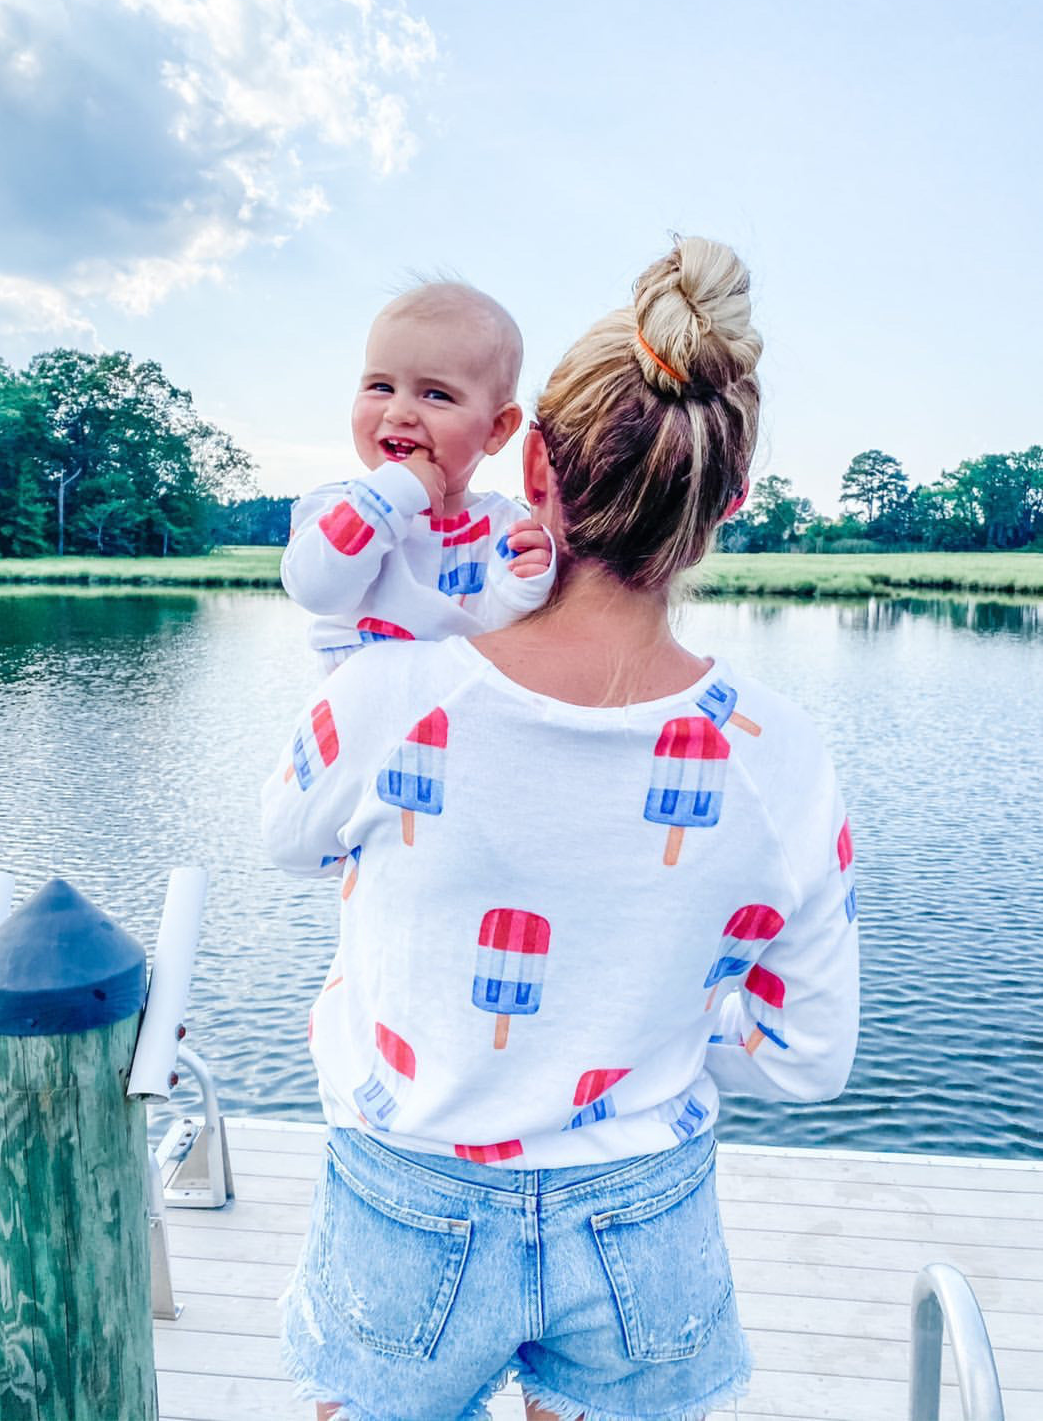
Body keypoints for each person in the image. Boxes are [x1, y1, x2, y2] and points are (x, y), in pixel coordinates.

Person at [261, 235, 860, 1421]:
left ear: (528, 460)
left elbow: (289, 842)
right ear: (726, 503)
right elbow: (808, 1059)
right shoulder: (777, 756)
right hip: (641, 1208)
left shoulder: (388, 695)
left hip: (409, 1192)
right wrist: (651, 1020)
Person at [281, 282, 556, 672]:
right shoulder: (336, 508)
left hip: (455, 706)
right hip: (361, 707)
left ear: (497, 428)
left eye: (436, 395)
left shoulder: (507, 527)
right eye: (381, 387)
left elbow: (511, 639)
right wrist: (393, 494)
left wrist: (528, 588)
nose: (398, 413)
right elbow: (317, 591)